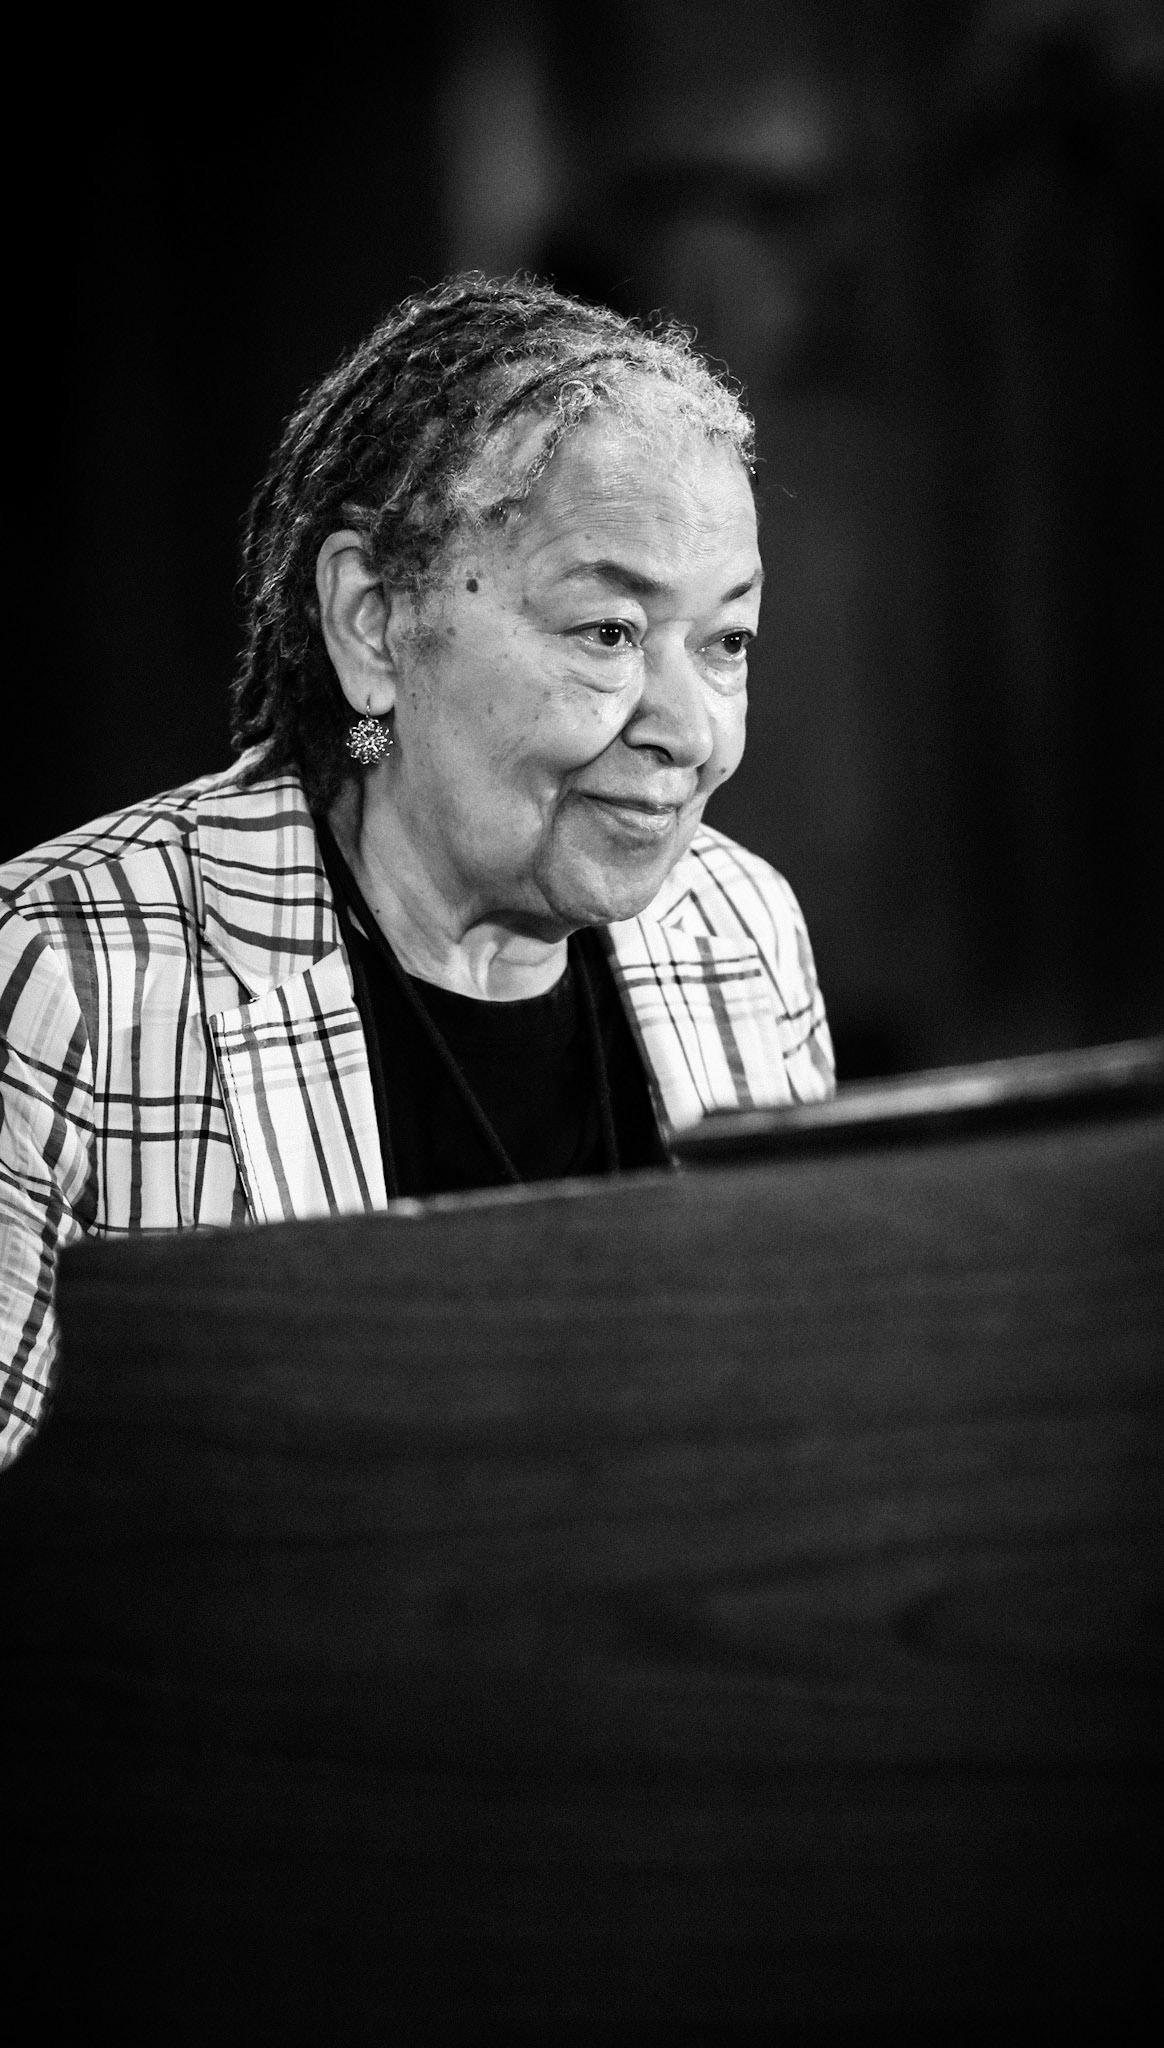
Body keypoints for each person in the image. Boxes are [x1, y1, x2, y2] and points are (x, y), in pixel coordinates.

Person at [0, 276, 835, 1467]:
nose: (690, 729)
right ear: (374, 622)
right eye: (606, 632)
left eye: (727, 642)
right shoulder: (61, 979)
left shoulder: (739, 930)